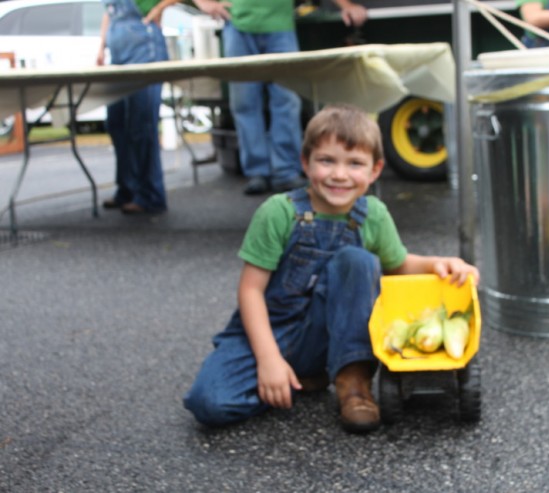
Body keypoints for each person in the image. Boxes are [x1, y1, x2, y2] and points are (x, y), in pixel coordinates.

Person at [183, 104, 480, 433]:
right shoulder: (278, 212)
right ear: (305, 162)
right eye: (327, 160)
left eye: (355, 163)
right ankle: (298, 377)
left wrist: (439, 263)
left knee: (359, 260)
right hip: (271, 331)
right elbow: (250, 290)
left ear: (375, 170)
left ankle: (352, 383)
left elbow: (398, 265)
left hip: (327, 335)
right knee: (208, 402)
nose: (339, 174)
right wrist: (268, 360)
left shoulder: (374, 214)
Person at [192, 0, 368, 195]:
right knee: (245, 103)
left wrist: (346, 5)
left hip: (279, 26)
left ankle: (285, 172)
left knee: (286, 101)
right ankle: (257, 172)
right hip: (237, 25)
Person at [97, 0, 177, 214]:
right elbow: (109, 11)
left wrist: (159, 8)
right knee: (116, 122)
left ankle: (150, 195)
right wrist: (101, 46)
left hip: (144, 47)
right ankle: (128, 188)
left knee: (141, 125)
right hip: (118, 53)